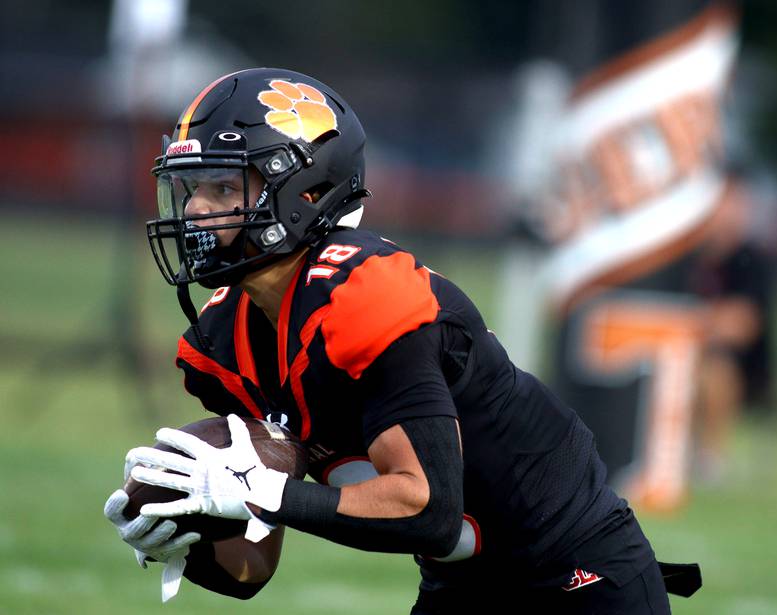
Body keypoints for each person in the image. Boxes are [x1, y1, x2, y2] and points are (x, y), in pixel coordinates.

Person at [103, 68, 697, 613]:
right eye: (191, 188)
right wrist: (186, 531)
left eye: (223, 188)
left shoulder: (366, 296)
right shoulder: (225, 342)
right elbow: (251, 571)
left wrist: (259, 490)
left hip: (576, 573)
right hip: (462, 585)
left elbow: (428, 510)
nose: (197, 210)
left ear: (305, 191)